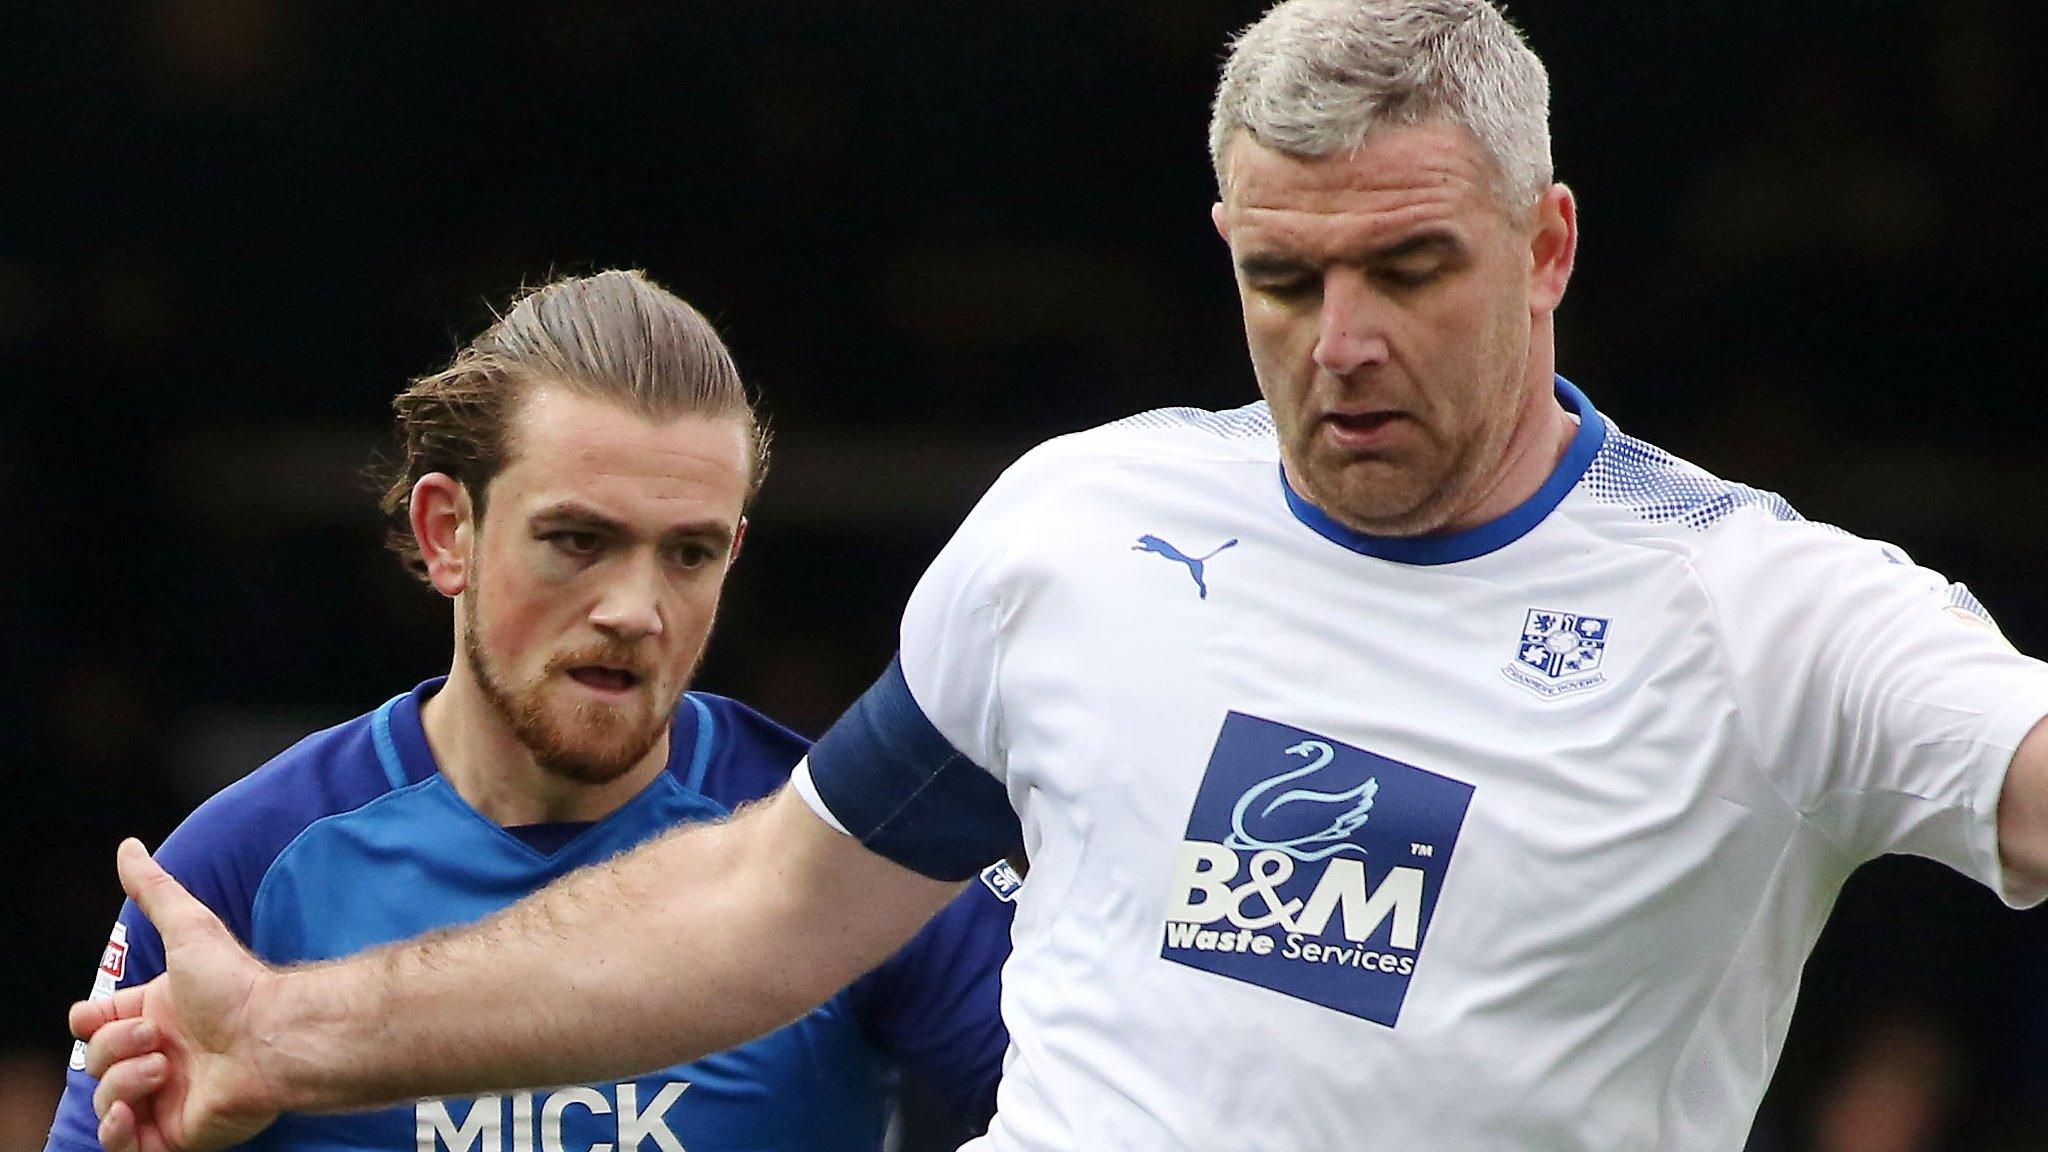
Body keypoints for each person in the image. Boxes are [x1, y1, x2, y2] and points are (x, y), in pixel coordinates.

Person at [72, 3, 2048, 1150]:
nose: (1338, 340)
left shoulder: (1770, 617)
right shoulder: (1076, 528)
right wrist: (287, 1037)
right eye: (1282, 278)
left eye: (1409, 270)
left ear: (1544, 248)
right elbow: (768, 907)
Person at [49, 270, 1013, 1152]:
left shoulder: (854, 848)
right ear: (446, 533)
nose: (635, 611)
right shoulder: (242, 870)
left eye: (690, 554)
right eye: (578, 539)